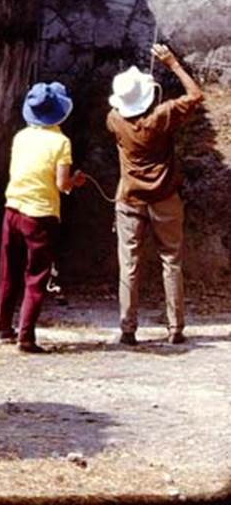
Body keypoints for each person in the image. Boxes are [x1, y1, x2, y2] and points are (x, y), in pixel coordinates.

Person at [107, 43, 204, 346]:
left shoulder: (114, 119)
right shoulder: (162, 116)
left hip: (129, 199)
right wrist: (173, 63)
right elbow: (196, 95)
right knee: (171, 260)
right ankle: (175, 328)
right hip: (164, 198)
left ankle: (128, 327)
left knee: (129, 264)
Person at [0, 81, 86, 353]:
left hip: (13, 208)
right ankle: (26, 336)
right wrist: (76, 181)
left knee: (8, 271)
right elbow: (62, 184)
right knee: (35, 276)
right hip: (41, 215)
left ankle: (2, 328)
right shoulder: (61, 142)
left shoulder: (21, 137)